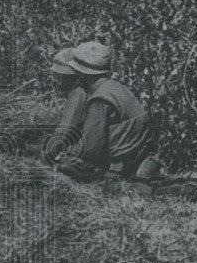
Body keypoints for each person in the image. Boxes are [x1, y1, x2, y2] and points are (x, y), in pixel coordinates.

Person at [46, 40, 154, 180]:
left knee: (62, 165)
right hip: (138, 157)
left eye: (76, 72)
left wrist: (64, 157)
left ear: (82, 74)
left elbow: (90, 151)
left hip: (119, 169)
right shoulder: (115, 88)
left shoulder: (100, 100)